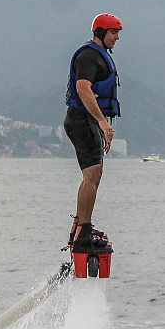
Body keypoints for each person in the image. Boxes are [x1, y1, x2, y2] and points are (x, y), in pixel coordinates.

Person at [63, 13, 122, 250]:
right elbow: (82, 87)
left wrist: (101, 124)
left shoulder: (100, 56)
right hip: (82, 120)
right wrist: (102, 122)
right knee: (92, 175)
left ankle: (80, 225)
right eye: (113, 33)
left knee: (94, 174)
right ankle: (83, 231)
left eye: (118, 33)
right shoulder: (88, 56)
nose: (117, 37)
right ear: (100, 33)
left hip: (88, 121)